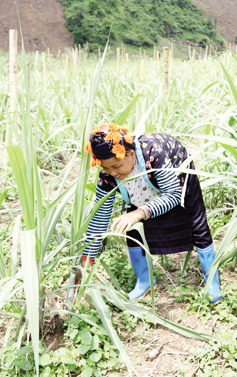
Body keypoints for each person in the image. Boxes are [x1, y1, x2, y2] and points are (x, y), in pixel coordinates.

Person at [80, 123, 222, 304]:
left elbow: (172, 195)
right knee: (131, 228)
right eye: (106, 168)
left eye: (116, 166)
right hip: (141, 185)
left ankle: (212, 282)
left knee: (197, 223)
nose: (112, 173)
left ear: (130, 154)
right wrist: (87, 259)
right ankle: (145, 281)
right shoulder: (108, 175)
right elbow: (99, 217)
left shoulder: (154, 154)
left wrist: (139, 212)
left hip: (175, 172)